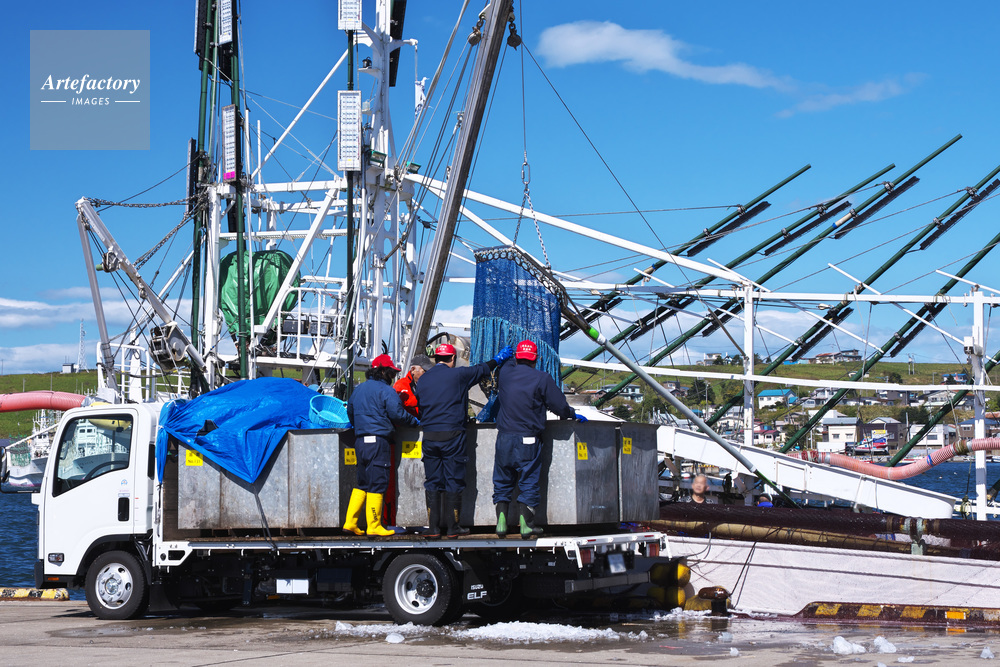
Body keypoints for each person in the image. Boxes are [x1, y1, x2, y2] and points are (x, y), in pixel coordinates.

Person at [416, 341, 513, 538]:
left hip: (430, 436)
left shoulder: (423, 379)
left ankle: (433, 528)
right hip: (452, 436)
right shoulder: (459, 375)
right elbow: (483, 369)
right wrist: (498, 359)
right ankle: (453, 527)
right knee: (453, 479)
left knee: (433, 480)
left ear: (436, 358)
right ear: (453, 358)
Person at [493, 340, 585, 538]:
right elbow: (559, 406)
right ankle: (526, 525)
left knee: (502, 480)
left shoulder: (505, 374)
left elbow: (507, 364)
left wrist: (507, 357)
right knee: (528, 480)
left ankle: (501, 523)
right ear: (536, 359)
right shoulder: (542, 378)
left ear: (517, 357)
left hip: (504, 438)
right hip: (528, 439)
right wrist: (571, 413)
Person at [343, 354, 419, 537]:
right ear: (383, 372)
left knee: (363, 482)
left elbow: (350, 414)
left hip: (360, 441)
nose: (393, 376)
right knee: (378, 482)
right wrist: (416, 422)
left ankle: (350, 523)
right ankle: (374, 525)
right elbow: (398, 414)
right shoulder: (386, 391)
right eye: (391, 373)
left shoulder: (358, 390)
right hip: (378, 442)